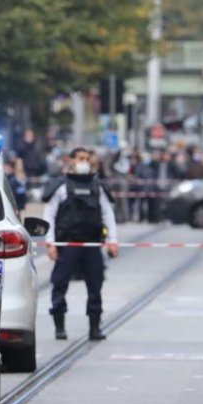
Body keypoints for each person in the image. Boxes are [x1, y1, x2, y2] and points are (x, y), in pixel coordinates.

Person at [43, 146, 119, 341]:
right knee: (59, 283)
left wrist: (113, 241)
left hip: (92, 243)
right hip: (68, 243)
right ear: (71, 161)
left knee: (96, 284)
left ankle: (95, 326)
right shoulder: (61, 186)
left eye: (86, 158)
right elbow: (49, 216)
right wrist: (50, 243)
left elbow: (107, 214)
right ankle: (59, 325)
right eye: (80, 158)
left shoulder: (97, 186)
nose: (84, 162)